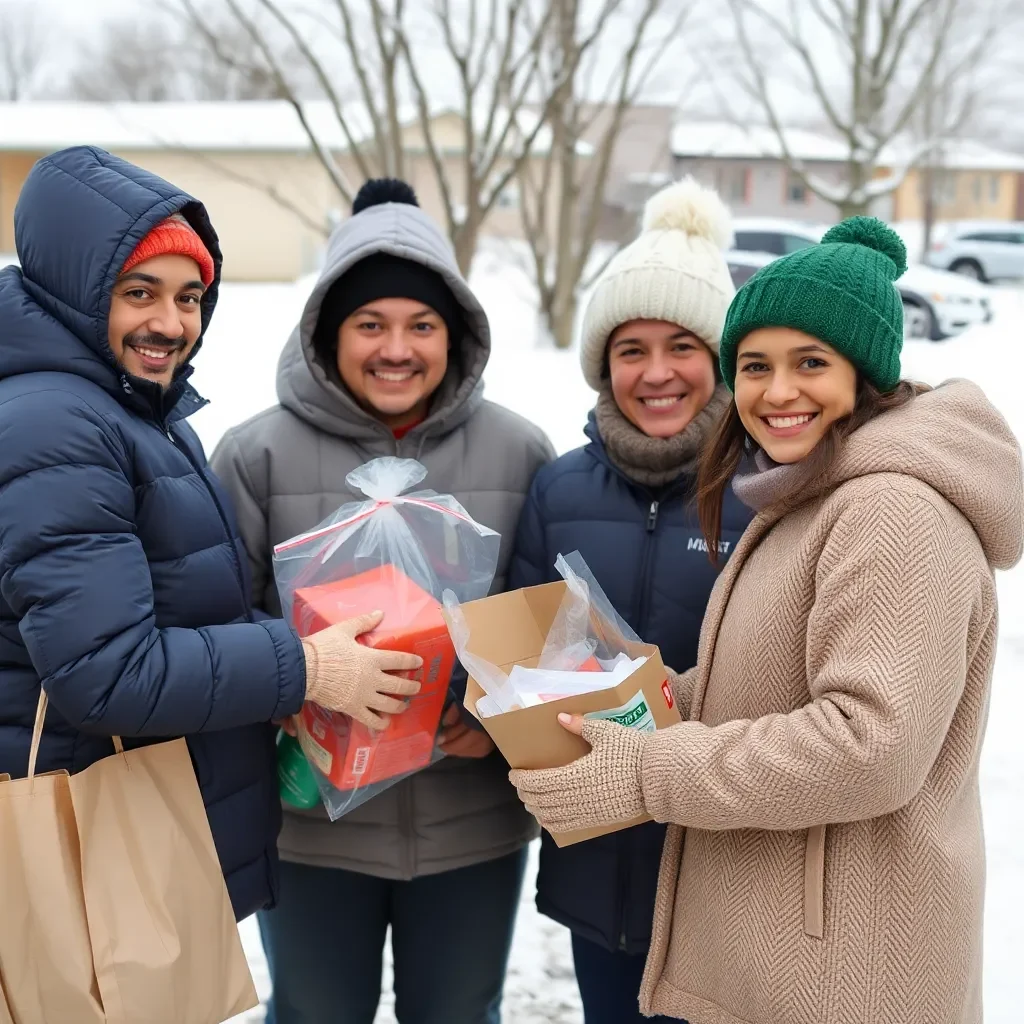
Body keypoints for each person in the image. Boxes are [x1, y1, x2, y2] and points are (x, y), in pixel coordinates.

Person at [509, 217, 1023, 1024]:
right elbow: (777, 684)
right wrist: (650, 695)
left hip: (852, 972)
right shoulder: (814, 495)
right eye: (755, 366)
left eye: (810, 363)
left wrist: (648, 770)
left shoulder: (893, 510)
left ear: (866, 373)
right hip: (799, 951)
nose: (777, 392)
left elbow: (868, 744)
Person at [0, 147, 421, 923]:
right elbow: (108, 674)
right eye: (139, 293)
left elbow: (183, 614)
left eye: (191, 296)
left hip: (141, 837)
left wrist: (312, 657)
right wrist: (303, 668)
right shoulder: (56, 425)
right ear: (75, 293)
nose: (171, 323)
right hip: (93, 848)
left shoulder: (135, 409)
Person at [211, 177, 554, 1024]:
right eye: (371, 324)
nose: (396, 349)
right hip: (312, 832)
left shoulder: (518, 452)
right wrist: (298, 682)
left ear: (457, 334)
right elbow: (215, 623)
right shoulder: (257, 454)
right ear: (330, 332)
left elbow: (551, 631)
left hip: (470, 830)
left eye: (422, 325)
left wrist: (496, 722)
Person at [507, 177, 751, 1024]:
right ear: (602, 362)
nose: (655, 373)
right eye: (630, 348)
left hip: (722, 879)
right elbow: (523, 653)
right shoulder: (558, 486)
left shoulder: (765, 493)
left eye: (682, 345)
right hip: (595, 867)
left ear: (720, 357)